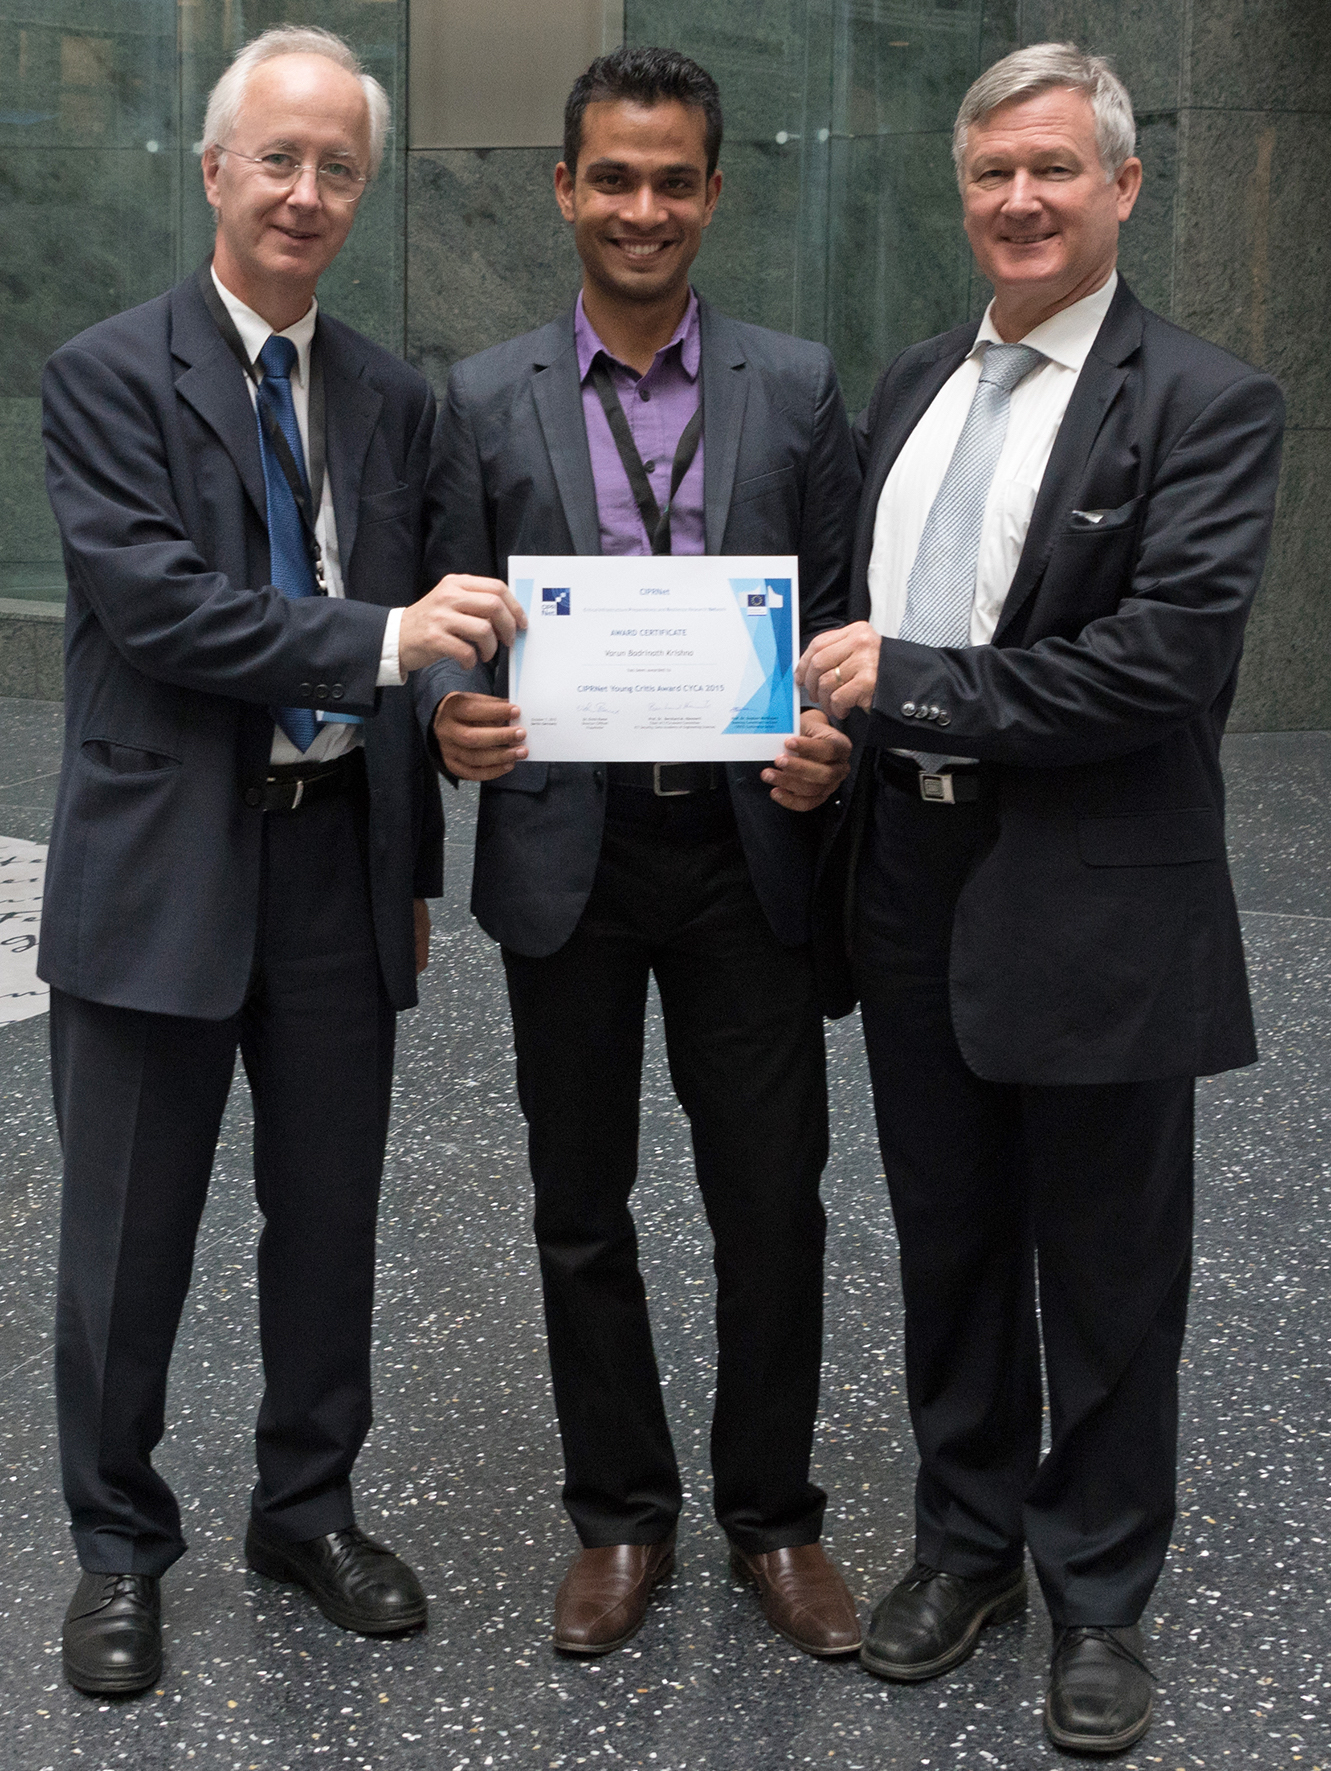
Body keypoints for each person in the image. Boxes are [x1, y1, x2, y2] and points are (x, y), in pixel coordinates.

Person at [798, 41, 1284, 1758]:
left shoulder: (1209, 403)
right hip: (908, 881)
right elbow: (858, 624)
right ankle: (968, 1544)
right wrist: (828, 736)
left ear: (1125, 188)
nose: (1019, 198)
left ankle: (1099, 1591)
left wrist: (914, 686)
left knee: (1108, 1266)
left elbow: (1161, 665)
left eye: (1056, 171)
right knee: (947, 1242)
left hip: (1098, 901)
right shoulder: (918, 379)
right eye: (993, 170)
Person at [40, 25, 524, 1698]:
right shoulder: (107, 373)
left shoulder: (397, 397)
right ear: (213, 169)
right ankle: (117, 1549)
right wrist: (391, 640)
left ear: (362, 190)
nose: (305, 194)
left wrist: (451, 735)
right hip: (163, 860)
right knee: (126, 1231)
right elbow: (164, 609)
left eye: (337, 169)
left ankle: (304, 1508)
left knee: (326, 1223)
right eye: (278, 159)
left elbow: (442, 628)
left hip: (336, 869)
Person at [417, 46, 862, 1659]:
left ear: (716, 194)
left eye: (674, 180)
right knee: (578, 1206)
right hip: (570, 857)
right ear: (563, 188)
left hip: (750, 855)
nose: (643, 208)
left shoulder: (799, 387)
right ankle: (618, 1517)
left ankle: (773, 1519)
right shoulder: (479, 398)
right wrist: (449, 718)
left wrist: (833, 739)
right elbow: (449, 631)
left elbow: (845, 621)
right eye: (614, 177)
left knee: (775, 1202)